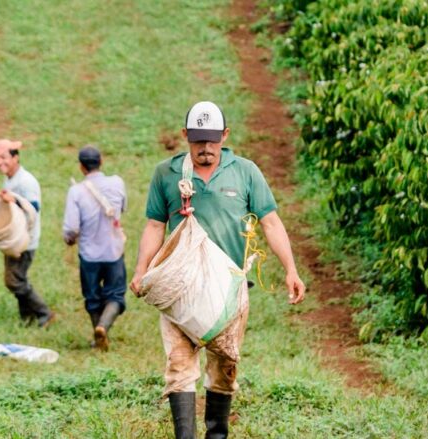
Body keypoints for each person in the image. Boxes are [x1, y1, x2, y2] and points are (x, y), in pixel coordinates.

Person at [130, 101, 306, 439]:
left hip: (227, 289)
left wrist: (291, 270)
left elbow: (270, 222)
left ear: (225, 136)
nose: (205, 148)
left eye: (212, 140)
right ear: (185, 137)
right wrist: (141, 270)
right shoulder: (167, 174)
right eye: (198, 141)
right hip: (179, 286)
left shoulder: (245, 172)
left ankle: (217, 434)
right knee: (179, 365)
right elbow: (154, 225)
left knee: (225, 365)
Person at [62, 145, 128, 351]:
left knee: (92, 298)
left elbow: (71, 228)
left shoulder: (76, 191)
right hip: (113, 251)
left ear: (82, 167)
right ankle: (103, 328)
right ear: (101, 161)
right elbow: (123, 208)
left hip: (89, 255)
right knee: (115, 295)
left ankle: (98, 332)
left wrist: (70, 239)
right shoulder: (117, 183)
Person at [0, 138, 54, 328]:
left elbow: (34, 207)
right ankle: (27, 318)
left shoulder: (26, 181)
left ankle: (44, 312)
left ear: (15, 157)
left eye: (3, 157)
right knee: (17, 278)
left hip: (24, 239)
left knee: (13, 281)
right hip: (13, 237)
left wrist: (14, 201)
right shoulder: (10, 178)